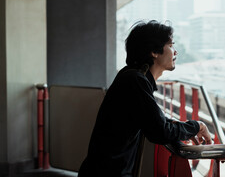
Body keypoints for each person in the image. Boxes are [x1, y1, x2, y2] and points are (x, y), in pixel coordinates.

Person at [78, 20, 212, 177]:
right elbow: (160, 131)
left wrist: (184, 129)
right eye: (170, 45)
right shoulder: (135, 80)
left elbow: (153, 120)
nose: (175, 52)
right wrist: (197, 126)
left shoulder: (131, 76)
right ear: (154, 52)